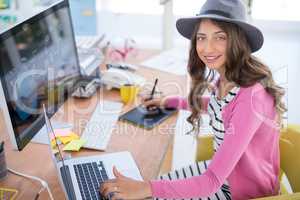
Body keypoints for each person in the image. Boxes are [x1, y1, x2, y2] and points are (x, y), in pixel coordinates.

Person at [100, 0, 286, 199]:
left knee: (147, 191)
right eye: (201, 38)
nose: (207, 48)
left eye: (220, 37)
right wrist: (171, 101)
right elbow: (221, 107)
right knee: (147, 186)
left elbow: (210, 182)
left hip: (241, 192)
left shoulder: (251, 97)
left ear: (238, 40)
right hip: (222, 175)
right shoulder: (229, 74)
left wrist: (145, 188)